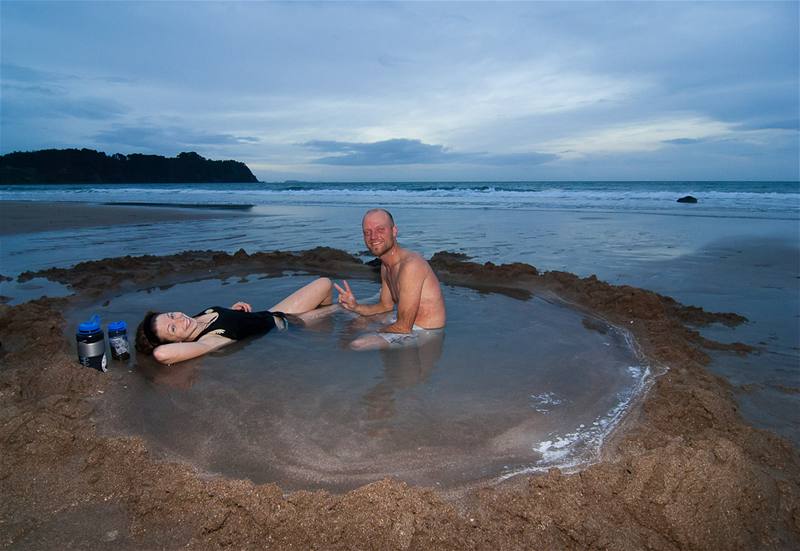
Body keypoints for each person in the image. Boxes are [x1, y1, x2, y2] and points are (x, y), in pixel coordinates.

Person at [135, 277, 337, 365]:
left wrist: (233, 311)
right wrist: (152, 347)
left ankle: (324, 330)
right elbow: (162, 354)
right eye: (172, 328)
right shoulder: (209, 340)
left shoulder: (195, 319)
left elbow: (225, 319)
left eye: (171, 315)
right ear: (177, 341)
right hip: (288, 324)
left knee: (325, 284)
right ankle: (329, 333)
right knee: (342, 308)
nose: (179, 319)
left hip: (272, 312)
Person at [335, 208, 446, 350]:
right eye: (367, 232)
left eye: (380, 230)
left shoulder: (411, 266)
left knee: (358, 344)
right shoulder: (386, 266)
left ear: (394, 231)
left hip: (425, 332)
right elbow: (385, 306)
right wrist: (355, 306)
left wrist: (371, 330)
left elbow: (404, 327)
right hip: (404, 322)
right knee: (355, 320)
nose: (373, 237)